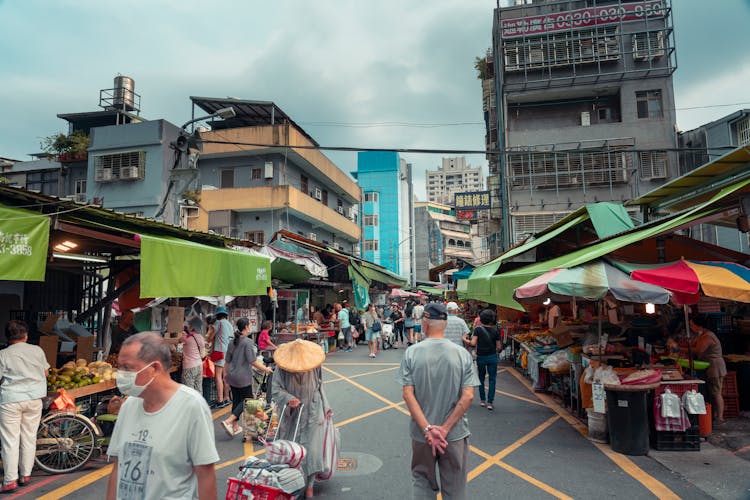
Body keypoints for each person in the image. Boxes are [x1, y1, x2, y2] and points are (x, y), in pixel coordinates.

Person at [106, 332, 219, 500]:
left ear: (155, 368)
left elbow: (205, 475)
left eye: (127, 368)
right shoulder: (128, 406)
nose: (120, 374)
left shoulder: (191, 406)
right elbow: (118, 468)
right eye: (120, 367)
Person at [397, 303, 479, 500]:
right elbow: (468, 396)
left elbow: (408, 394)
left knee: (422, 481)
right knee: (455, 486)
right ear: (445, 324)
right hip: (454, 435)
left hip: (421, 435)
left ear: (424, 324)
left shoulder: (412, 353)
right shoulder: (462, 355)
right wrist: (444, 429)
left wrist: (427, 429)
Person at [271, 340, 332, 498]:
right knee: (291, 448)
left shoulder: (314, 365)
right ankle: (291, 482)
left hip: (313, 410)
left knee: (312, 449)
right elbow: (276, 390)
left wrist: (326, 407)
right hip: (291, 415)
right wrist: (288, 398)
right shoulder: (281, 368)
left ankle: (310, 484)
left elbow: (320, 385)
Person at [0, 320, 49, 493]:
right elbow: (45, 372)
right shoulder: (37, 350)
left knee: (10, 440)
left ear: (7, 337)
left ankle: (10, 480)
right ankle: (25, 475)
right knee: (29, 436)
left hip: (11, 399)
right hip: (34, 399)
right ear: (26, 335)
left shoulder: (3, 354)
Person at [221, 318, 273, 437]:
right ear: (246, 327)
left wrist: (225, 374)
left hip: (232, 376)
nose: (250, 327)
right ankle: (228, 421)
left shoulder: (232, 341)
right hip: (243, 377)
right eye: (249, 325)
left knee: (237, 400)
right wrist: (266, 369)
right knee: (247, 401)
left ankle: (234, 426)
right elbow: (253, 361)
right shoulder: (247, 342)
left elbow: (227, 361)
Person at [690, 315, 727, 423]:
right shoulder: (702, 335)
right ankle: (715, 415)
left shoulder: (708, 337)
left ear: (698, 326)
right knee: (713, 392)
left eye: (692, 325)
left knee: (716, 392)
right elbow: (693, 344)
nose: (691, 327)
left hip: (715, 367)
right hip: (711, 366)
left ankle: (720, 417)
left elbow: (699, 350)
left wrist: (680, 348)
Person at [463, 309, 502, 411]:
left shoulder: (478, 330)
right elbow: (499, 347)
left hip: (481, 357)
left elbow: (473, 343)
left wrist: (464, 339)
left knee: (481, 378)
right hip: (492, 357)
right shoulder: (496, 331)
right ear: (492, 319)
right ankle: (490, 402)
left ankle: (482, 400)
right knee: (492, 379)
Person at [211, 306, 233, 408]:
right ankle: (226, 397)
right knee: (225, 377)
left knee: (218, 376)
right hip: (228, 352)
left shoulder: (218, 323)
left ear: (218, 316)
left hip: (219, 352)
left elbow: (211, 335)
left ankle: (220, 400)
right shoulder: (230, 324)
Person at [179, 324, 205, 395]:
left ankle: (191, 406)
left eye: (190, 325)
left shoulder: (187, 338)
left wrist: (181, 330)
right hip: (199, 365)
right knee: (198, 389)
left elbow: (179, 339)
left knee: (189, 391)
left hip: (189, 367)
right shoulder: (201, 337)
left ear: (192, 327)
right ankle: (199, 405)